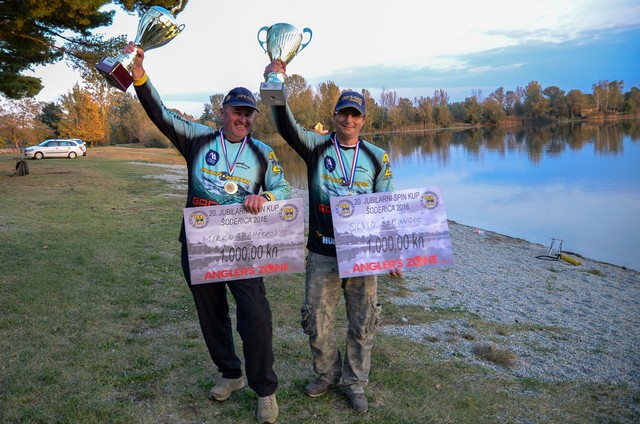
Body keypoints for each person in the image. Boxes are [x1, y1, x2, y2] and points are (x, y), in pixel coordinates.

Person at [125, 42, 290, 424]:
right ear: (223, 111)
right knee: (211, 314)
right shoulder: (197, 139)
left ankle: (265, 390)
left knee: (255, 315)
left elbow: (282, 189)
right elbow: (161, 114)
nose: (243, 118)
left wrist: (264, 196)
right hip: (199, 243)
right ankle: (230, 373)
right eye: (237, 111)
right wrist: (140, 77)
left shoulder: (263, 153)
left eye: (248, 114)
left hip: (243, 247)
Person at [264, 61, 401, 413]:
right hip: (323, 252)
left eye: (355, 115)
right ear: (335, 115)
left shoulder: (377, 157)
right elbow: (285, 124)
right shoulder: (316, 147)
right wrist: (275, 80)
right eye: (344, 113)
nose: (349, 120)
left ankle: (355, 383)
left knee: (363, 322)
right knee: (316, 321)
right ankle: (328, 374)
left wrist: (391, 251)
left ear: (363, 120)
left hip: (363, 255)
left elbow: (385, 207)